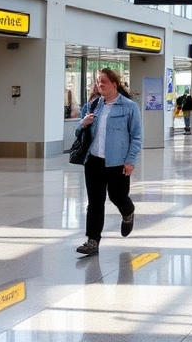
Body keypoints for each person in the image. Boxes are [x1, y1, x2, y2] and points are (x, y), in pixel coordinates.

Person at [74, 68, 142, 256]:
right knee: (95, 202)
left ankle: (128, 212)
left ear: (114, 83)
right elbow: (78, 131)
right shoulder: (94, 105)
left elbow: (136, 136)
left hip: (117, 162)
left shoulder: (129, 107)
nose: (99, 84)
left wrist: (130, 160)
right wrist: (82, 123)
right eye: (98, 81)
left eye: (103, 81)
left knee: (118, 197)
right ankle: (92, 240)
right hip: (94, 161)